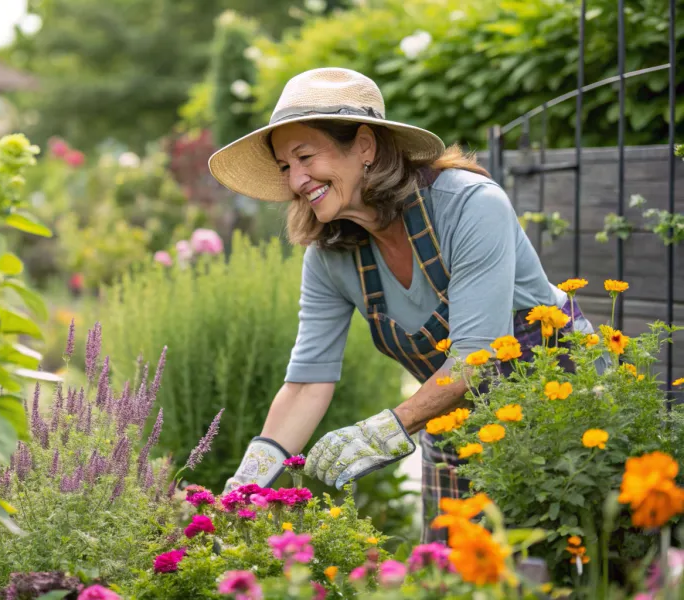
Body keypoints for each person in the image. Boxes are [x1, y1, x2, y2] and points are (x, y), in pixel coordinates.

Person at [208, 67, 599, 541]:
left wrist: (384, 431)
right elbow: (307, 382)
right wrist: (247, 484)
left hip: (562, 410)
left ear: (366, 147)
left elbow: (478, 356)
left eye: (306, 156)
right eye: (286, 167)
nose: (296, 180)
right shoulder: (330, 255)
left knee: (570, 564)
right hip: (452, 420)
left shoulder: (470, 205)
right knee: (451, 574)